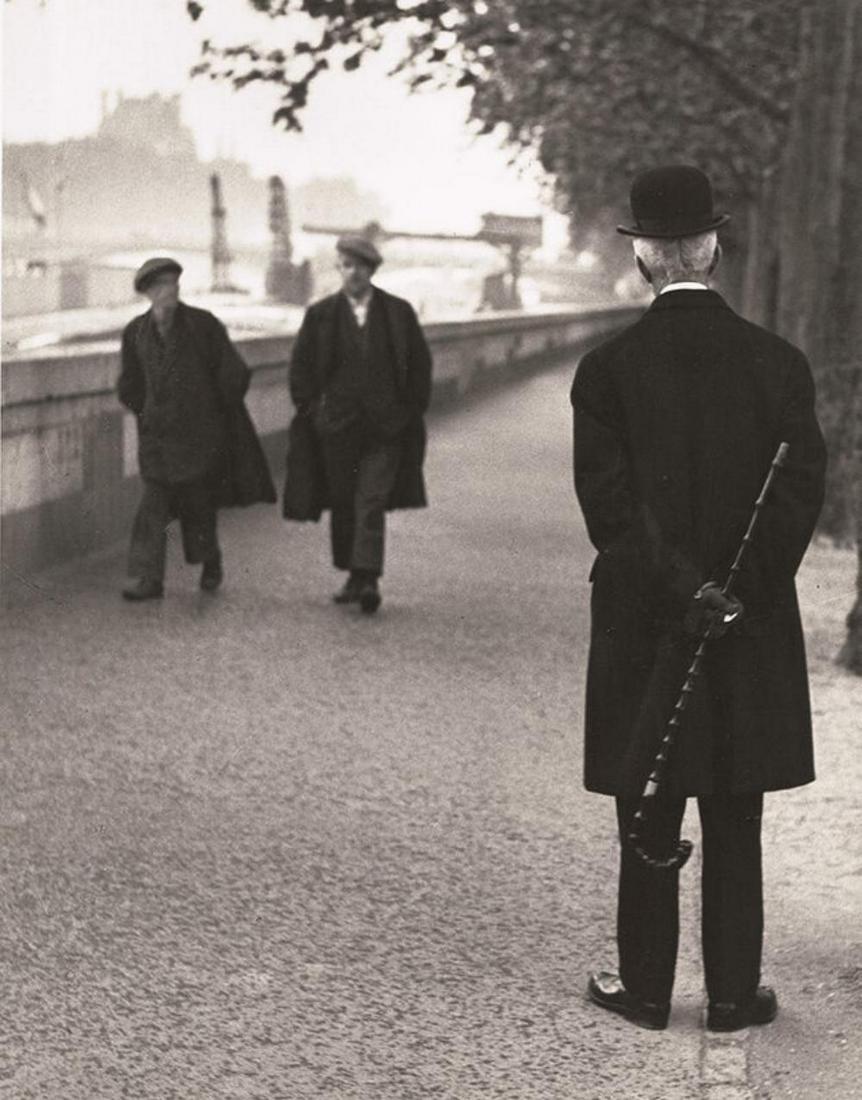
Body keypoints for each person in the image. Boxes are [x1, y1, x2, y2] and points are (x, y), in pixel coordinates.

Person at [571, 165, 826, 1032]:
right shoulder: (780, 366)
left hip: (648, 620)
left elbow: (610, 516)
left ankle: (644, 990)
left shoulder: (605, 372)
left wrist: (686, 594)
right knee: (734, 804)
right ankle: (729, 995)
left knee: (648, 798)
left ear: (643, 256)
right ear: (712, 249)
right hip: (747, 626)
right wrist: (733, 596)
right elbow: (797, 501)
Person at [286, 236, 432, 613]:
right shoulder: (320, 315)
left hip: (385, 428)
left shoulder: (398, 314)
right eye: (346, 266)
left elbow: (420, 366)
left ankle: (368, 579)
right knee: (344, 501)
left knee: (371, 500)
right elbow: (300, 371)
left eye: (359, 267)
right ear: (339, 270)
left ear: (371, 271)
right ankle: (354, 574)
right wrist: (316, 414)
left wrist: (406, 414)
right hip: (337, 428)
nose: (352, 273)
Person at [118, 257, 275, 600]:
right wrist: (145, 411)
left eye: (173, 284)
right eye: (160, 287)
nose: (169, 292)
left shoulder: (203, 326)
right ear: (147, 293)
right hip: (157, 439)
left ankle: (210, 561)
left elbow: (235, 374)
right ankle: (149, 578)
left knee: (197, 504)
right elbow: (128, 383)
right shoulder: (135, 332)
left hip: (198, 439)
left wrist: (213, 414)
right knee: (153, 506)